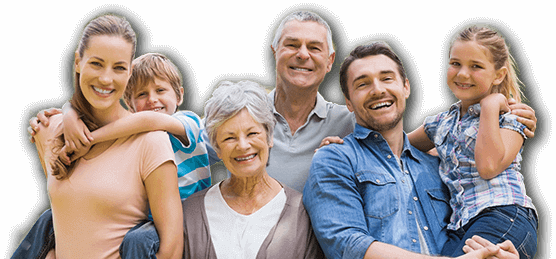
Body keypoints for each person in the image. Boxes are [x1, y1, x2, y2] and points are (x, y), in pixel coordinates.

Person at [303, 40, 519, 259]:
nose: (378, 90)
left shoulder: (438, 165)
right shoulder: (336, 159)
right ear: (348, 102)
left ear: (406, 87)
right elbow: (348, 244)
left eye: (387, 78)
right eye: (362, 84)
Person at [19, 14, 183, 259]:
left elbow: (171, 250)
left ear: (129, 73)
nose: (106, 79)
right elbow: (69, 214)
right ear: (77, 62)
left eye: (118, 68)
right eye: (96, 63)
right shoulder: (48, 130)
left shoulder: (151, 142)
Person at [408, 24, 538, 258]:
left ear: (498, 74)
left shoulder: (510, 117)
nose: (462, 74)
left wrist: (489, 107)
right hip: (460, 226)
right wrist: (343, 145)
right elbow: (395, 149)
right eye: (455, 63)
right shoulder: (440, 123)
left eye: (476, 66)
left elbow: (488, 167)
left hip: (505, 215)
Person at [182, 80, 323, 258]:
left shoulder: (302, 213)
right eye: (229, 138)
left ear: (269, 138)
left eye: (252, 133)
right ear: (217, 149)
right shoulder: (191, 212)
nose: (243, 145)